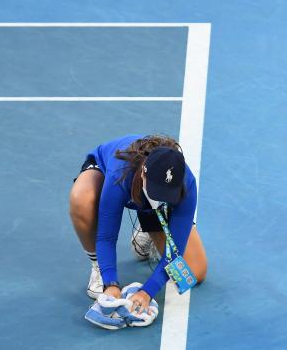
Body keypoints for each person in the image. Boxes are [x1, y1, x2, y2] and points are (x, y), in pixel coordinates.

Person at [69, 134, 207, 316]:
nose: (160, 197)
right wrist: (110, 283)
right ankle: (98, 267)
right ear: (143, 174)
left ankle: (146, 229)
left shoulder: (187, 184)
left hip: (150, 206)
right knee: (82, 198)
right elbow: (106, 237)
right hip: (107, 177)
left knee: (195, 272)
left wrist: (147, 292)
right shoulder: (119, 173)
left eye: (167, 193)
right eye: (157, 191)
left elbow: (174, 254)